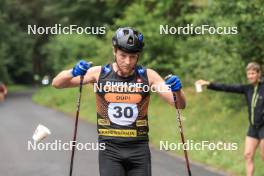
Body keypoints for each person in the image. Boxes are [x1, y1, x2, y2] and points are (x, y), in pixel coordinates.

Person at [52, 27, 186, 176]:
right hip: (109, 149)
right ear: (114, 51)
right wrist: (73, 72)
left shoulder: (149, 76)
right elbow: (57, 83)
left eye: (133, 56)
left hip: (139, 149)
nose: (128, 62)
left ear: (138, 56)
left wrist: (177, 91)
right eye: (123, 55)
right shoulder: (99, 73)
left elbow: (179, 105)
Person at [196, 62, 264, 176]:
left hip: (263, 127)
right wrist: (208, 84)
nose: (250, 76)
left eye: (253, 73)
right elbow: (227, 87)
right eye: (249, 74)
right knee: (247, 154)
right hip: (253, 127)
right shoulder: (247, 89)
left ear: (259, 74)